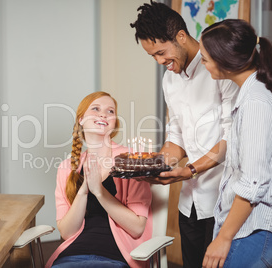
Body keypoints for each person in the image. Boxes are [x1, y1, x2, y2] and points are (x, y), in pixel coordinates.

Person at [130, 2, 239, 267]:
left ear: (180, 36)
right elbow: (176, 135)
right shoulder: (170, 80)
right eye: (152, 56)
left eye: (161, 52)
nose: (159, 61)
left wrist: (190, 169)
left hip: (223, 199)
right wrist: (158, 166)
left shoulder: (219, 69)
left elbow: (232, 136)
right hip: (189, 202)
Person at [199, 19, 272, 268]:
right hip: (249, 226)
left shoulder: (256, 103)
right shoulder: (255, 92)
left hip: (257, 229)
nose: (203, 64)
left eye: (206, 58)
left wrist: (223, 238)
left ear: (226, 61)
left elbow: (254, 183)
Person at [45, 91, 153, 268]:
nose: (103, 114)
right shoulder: (67, 167)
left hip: (116, 257)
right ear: (80, 119)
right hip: (73, 255)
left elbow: (137, 227)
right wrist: (84, 190)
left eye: (110, 111)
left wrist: (99, 191)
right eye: (96, 109)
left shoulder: (132, 161)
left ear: (114, 123)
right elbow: (66, 232)